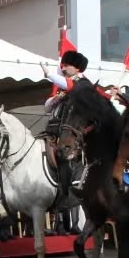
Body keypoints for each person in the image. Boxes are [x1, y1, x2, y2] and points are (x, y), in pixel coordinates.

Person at [42, 50, 92, 205]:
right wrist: (58, 97)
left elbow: (72, 87)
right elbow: (46, 108)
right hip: (54, 132)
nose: (63, 68)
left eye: (67, 65)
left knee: (65, 156)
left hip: (73, 134)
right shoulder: (60, 86)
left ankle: (68, 189)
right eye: (62, 65)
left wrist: (50, 74)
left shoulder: (83, 85)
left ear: (77, 68)